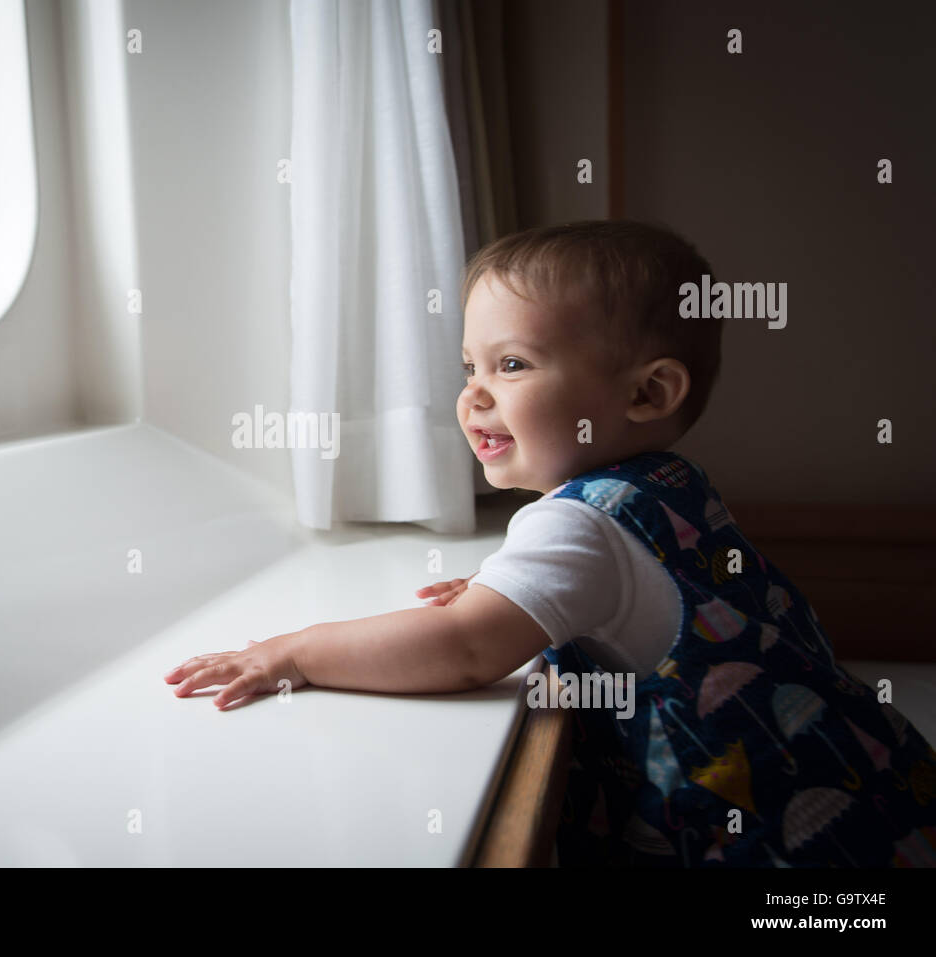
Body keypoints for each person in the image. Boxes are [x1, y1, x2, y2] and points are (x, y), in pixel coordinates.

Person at [164, 219, 936, 866]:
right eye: (469, 366)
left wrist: (294, 651)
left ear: (646, 393)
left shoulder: (575, 524)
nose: (474, 392)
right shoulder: (669, 484)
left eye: (512, 364)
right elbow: (619, 584)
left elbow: (464, 648)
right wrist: (505, 582)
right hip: (873, 788)